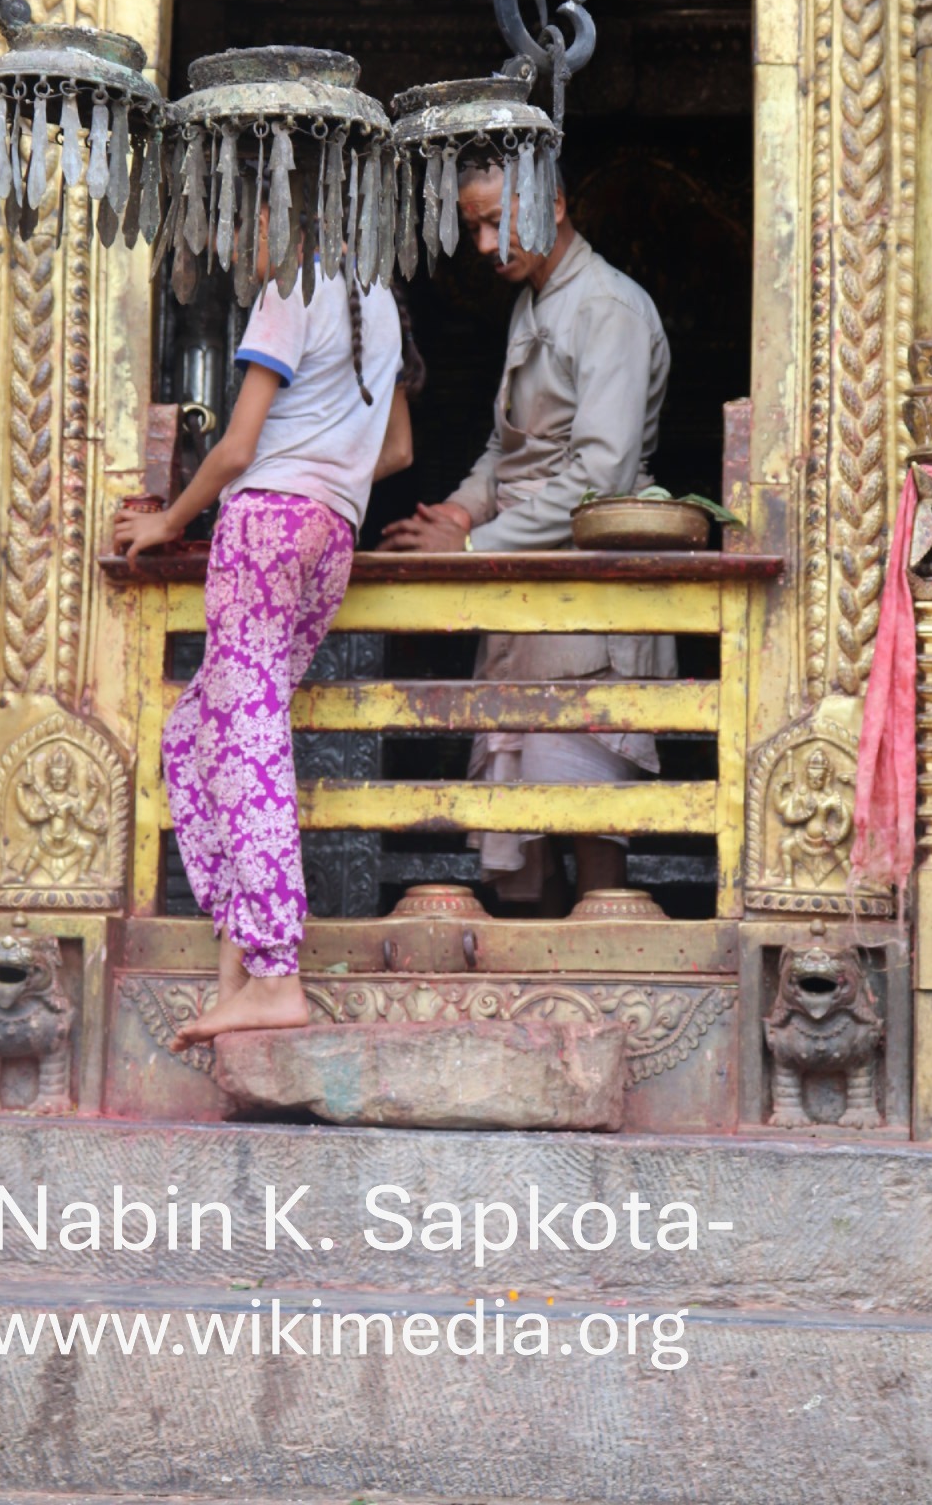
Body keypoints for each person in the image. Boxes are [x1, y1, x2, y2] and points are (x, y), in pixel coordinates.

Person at [114, 203, 410, 1041]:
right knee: (198, 732)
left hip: (264, 526)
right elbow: (394, 452)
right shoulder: (379, 300)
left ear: (283, 214)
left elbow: (238, 446)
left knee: (248, 739)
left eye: (242, 224)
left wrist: (167, 522)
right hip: (331, 536)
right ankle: (235, 966)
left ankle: (277, 971)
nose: (236, 247)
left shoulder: (292, 287)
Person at [379, 159, 671, 907]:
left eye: (495, 222)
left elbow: (597, 479)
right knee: (516, 827)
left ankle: (601, 1006)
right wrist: (460, 513)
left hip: (584, 604)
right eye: (474, 226)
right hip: (523, 593)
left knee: (585, 817)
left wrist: (476, 545)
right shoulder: (537, 300)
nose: (483, 244)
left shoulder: (609, 307)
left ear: (557, 204)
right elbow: (506, 452)